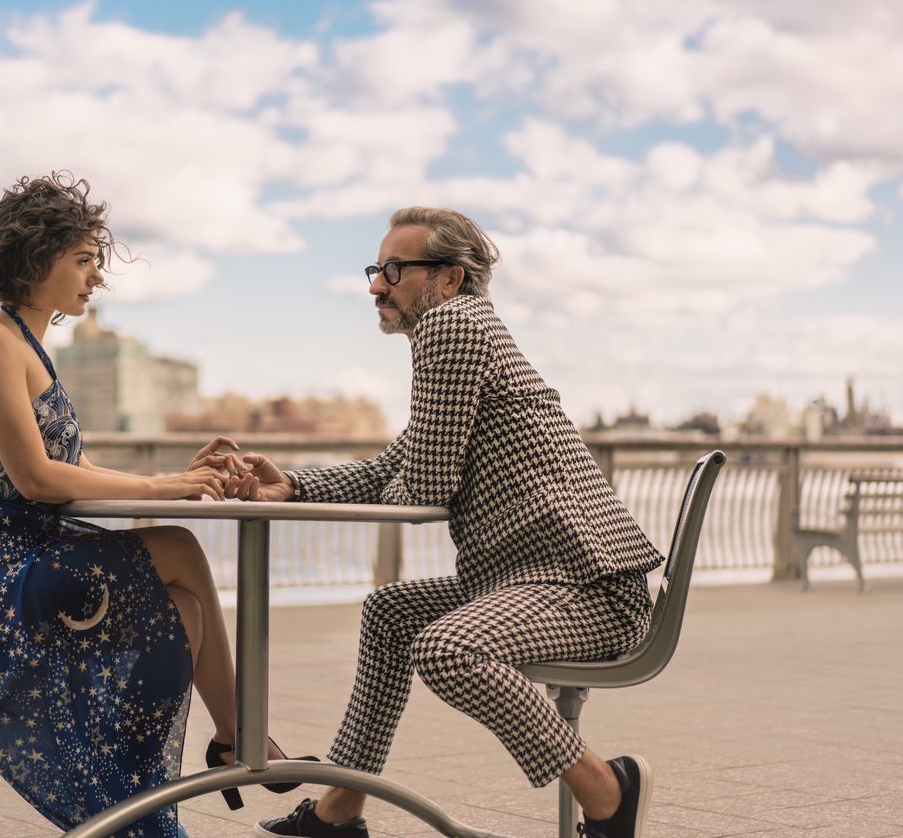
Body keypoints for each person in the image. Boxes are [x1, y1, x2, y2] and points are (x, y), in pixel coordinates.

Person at [228, 208, 662, 838]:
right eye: (376, 268)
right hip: (532, 578)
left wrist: (417, 476)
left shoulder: (451, 328)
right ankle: (337, 811)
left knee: (449, 649)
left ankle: (608, 791)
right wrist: (292, 484)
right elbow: (400, 464)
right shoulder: (470, 332)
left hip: (585, 588)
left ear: (450, 279)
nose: (377, 285)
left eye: (395, 270)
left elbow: (425, 485)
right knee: (389, 614)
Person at [0, 173, 308, 838]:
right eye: (84, 260)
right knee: (176, 544)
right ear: (38, 259)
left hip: (30, 552)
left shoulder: (35, 350)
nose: (97, 277)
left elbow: (79, 470)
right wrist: (165, 489)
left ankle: (137, 800)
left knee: (183, 608)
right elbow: (36, 478)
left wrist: (176, 477)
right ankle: (223, 744)